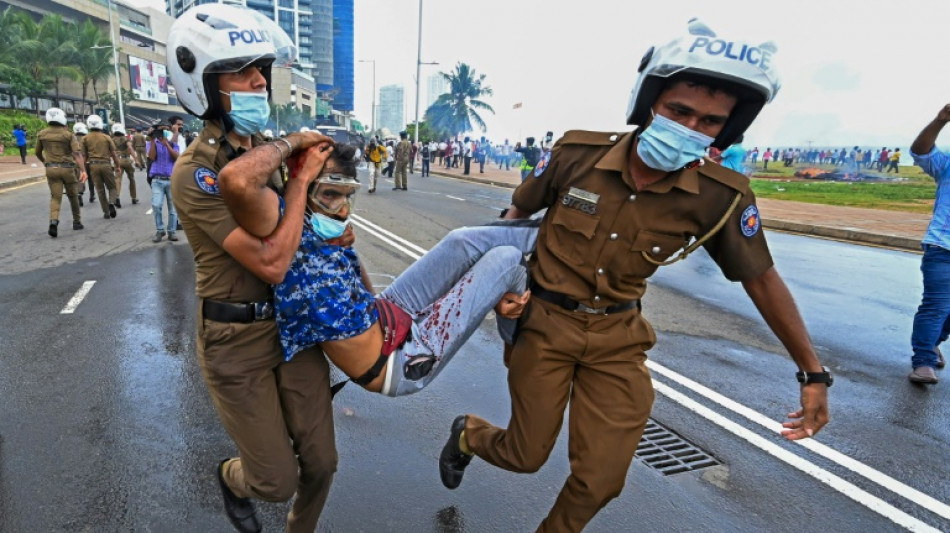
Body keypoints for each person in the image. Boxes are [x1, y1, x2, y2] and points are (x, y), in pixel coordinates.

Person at [437, 20, 831, 533]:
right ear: (650, 101)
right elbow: (512, 221)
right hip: (544, 326)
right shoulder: (577, 154)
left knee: (601, 481)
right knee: (524, 454)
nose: (690, 127)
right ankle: (468, 433)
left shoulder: (721, 195)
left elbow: (761, 279)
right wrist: (502, 290)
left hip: (619, 340)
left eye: (710, 121)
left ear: (727, 130)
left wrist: (813, 374)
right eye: (679, 110)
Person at [167, 5, 337, 532]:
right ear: (204, 84)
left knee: (323, 463)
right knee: (274, 480)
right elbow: (273, 258)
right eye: (243, 70)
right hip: (235, 340)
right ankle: (230, 476)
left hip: (291, 327)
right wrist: (300, 176)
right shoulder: (195, 173)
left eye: (261, 67)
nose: (260, 79)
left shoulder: (266, 153)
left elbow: (308, 236)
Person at [222, 143, 536, 396]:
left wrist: (347, 250)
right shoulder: (282, 219)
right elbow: (235, 179)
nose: (343, 210)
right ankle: (516, 346)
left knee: (461, 241)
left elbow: (365, 294)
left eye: (347, 197)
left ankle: (552, 234)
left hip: (384, 313)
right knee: (506, 259)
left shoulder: (324, 229)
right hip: (398, 361)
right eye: (329, 194)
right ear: (300, 186)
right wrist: (299, 158)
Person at [907, 104, 950, 384]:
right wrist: (939, 121)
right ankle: (923, 361)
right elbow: (920, 151)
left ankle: (934, 341)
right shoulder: (947, 164)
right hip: (942, 248)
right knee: (936, 306)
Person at [35, 108, 86, 237]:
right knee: (73, 195)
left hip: (51, 169)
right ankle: (77, 222)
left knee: (55, 197)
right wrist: (83, 170)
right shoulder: (68, 135)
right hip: (67, 168)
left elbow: (37, 152)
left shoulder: (42, 134)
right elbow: (76, 153)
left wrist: (46, 162)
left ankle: (53, 221)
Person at [81, 114, 122, 220]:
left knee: (100, 190)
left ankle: (106, 212)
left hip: (93, 165)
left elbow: (84, 156)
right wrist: (117, 166)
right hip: (106, 164)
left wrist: (83, 170)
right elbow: (114, 154)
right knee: (112, 187)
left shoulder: (85, 138)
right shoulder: (106, 137)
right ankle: (112, 203)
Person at [147, 123, 180, 242]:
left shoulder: (173, 144)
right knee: (156, 205)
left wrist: (166, 144)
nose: (163, 133)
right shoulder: (152, 143)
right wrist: (152, 140)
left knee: (173, 208)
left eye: (166, 131)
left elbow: (176, 157)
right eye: (161, 131)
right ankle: (160, 230)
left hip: (171, 180)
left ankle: (172, 232)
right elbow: (151, 157)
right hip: (157, 180)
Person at [111, 123, 138, 207]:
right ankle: (133, 197)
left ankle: (117, 197)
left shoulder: (112, 140)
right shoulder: (126, 139)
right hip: (126, 160)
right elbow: (130, 148)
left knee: (118, 179)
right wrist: (136, 159)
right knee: (131, 179)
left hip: (117, 160)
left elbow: (110, 151)